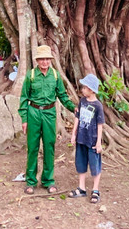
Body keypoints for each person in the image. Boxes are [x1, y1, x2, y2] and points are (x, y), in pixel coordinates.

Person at [19, 44, 76, 194]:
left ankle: (48, 180)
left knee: (49, 146)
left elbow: (63, 96)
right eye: (42, 59)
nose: (45, 62)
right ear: (37, 60)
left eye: (47, 59)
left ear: (50, 60)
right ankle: (31, 181)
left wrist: (73, 108)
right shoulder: (31, 75)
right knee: (32, 147)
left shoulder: (55, 76)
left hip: (50, 113)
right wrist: (24, 119)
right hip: (33, 113)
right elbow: (24, 98)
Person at [69, 73, 105, 204]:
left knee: (95, 165)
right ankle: (82, 188)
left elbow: (100, 125)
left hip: (92, 140)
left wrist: (98, 142)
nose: (82, 90)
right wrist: (74, 134)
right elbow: (77, 118)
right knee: (81, 163)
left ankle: (95, 189)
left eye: (84, 88)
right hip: (81, 138)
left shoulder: (98, 106)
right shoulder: (82, 101)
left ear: (91, 89)